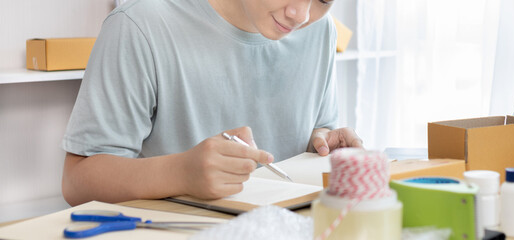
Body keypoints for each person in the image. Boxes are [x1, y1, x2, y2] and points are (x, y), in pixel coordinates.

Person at [61, 0, 362, 206]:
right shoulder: (141, 24)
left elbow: (317, 128)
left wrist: (322, 142)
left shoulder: (320, 31)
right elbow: (77, 181)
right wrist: (180, 173)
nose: (300, 14)